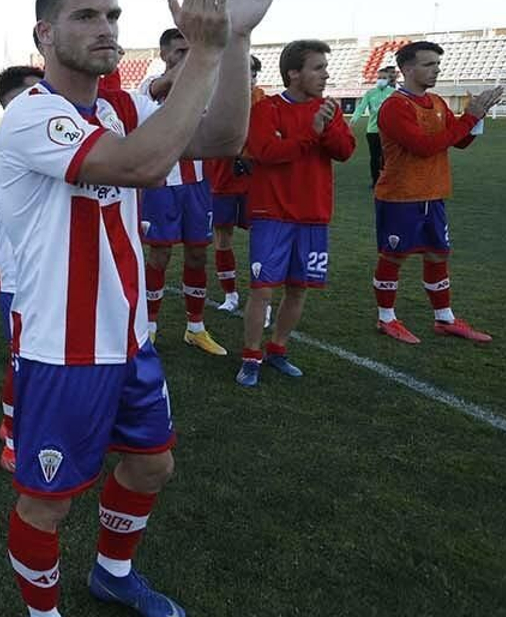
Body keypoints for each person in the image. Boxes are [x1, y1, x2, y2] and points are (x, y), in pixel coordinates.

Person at [0, 0, 283, 617]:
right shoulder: (30, 116)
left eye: (114, 15)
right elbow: (138, 167)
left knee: (153, 464)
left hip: (127, 338)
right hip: (62, 349)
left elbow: (219, 141)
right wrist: (207, 50)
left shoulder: (122, 105)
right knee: (48, 500)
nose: (106, 28)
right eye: (85, 16)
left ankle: (112, 574)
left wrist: (239, 42)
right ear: (43, 34)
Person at [235, 40, 356, 387]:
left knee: (298, 288)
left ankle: (278, 349)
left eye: (324, 68)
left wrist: (325, 128)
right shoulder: (267, 109)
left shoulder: (328, 109)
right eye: (317, 68)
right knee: (262, 289)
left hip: (313, 214)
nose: (325, 74)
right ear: (294, 73)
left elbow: (345, 150)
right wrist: (311, 133)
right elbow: (267, 151)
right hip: (272, 212)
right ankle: (251, 357)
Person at [371, 41, 503, 344]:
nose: (436, 69)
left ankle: (444, 318)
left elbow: (459, 141)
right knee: (393, 256)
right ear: (407, 69)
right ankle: (386, 318)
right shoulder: (395, 106)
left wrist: (477, 117)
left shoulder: (438, 103)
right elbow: (424, 147)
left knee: (437, 254)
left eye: (437, 64)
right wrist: (470, 117)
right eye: (429, 64)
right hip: (400, 196)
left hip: (434, 194)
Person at [136, 27, 224, 356]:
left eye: (191, 52)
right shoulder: (149, 88)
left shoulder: (206, 89)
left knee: (199, 254)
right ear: (164, 55)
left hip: (198, 185)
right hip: (163, 185)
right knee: (159, 255)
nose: (187, 58)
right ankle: (149, 328)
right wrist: (189, 64)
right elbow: (163, 86)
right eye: (180, 52)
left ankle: (195, 328)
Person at [0, 65, 44, 474]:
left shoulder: (27, 138)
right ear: (14, 100)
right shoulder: (2, 146)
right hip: (18, 268)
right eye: (37, 92)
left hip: (40, 265)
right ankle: (12, 434)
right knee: (25, 357)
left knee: (41, 356)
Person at [208, 55, 266, 314]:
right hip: (222, 178)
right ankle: (230, 294)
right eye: (245, 73)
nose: (250, 78)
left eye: (253, 73)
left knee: (263, 238)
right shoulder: (214, 97)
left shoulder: (263, 100)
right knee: (223, 238)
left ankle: (262, 300)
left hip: (256, 181)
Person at [352, 65, 398, 187]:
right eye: (379, 77)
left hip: (388, 131)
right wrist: (355, 117)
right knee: (374, 157)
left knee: (386, 157)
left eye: (384, 78)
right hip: (372, 130)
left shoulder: (394, 93)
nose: (381, 80)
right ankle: (375, 181)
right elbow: (361, 107)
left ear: (388, 80)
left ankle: (387, 179)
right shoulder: (370, 93)